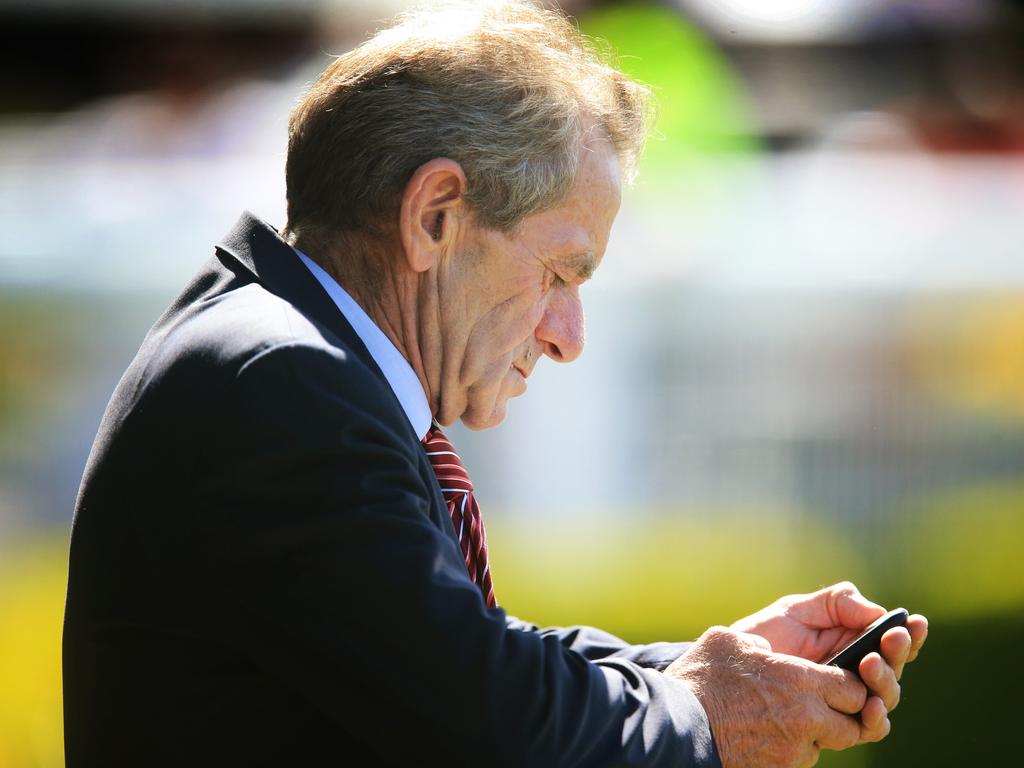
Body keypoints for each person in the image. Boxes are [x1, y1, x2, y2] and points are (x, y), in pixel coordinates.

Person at [62, 2, 927, 766]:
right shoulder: (287, 385)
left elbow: (453, 658)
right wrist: (707, 716)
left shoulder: (286, 363)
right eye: (559, 273)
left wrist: (700, 666)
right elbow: (491, 728)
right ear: (435, 215)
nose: (568, 338)